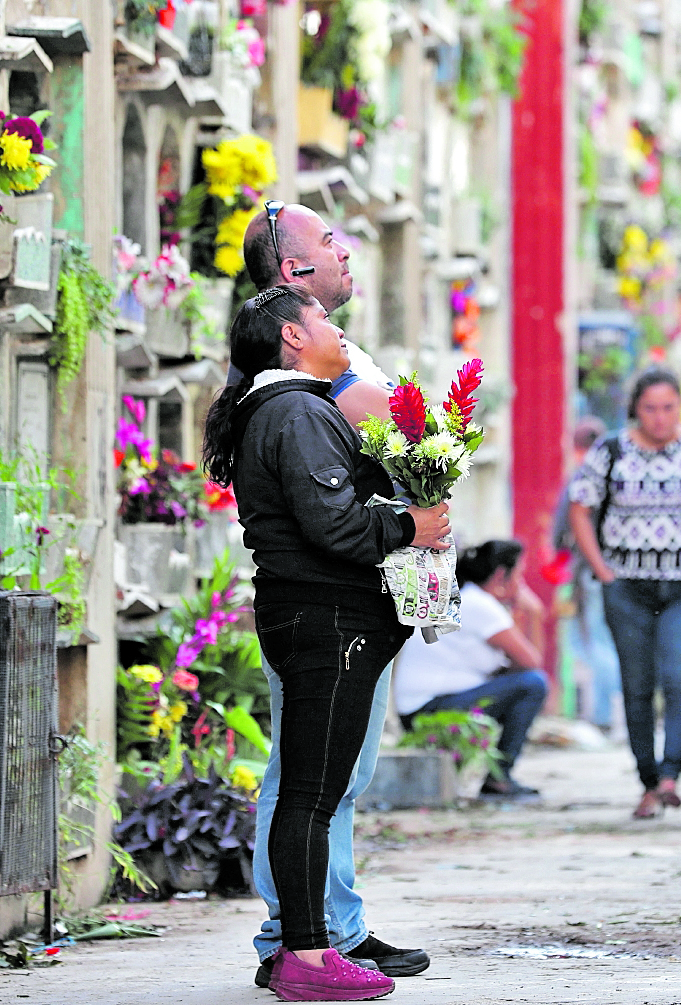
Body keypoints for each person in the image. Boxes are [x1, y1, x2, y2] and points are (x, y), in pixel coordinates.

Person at [202, 285, 450, 1000]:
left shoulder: (293, 409)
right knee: (311, 794)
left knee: (316, 789)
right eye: (322, 319)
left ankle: (304, 947)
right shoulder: (296, 411)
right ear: (289, 337)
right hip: (324, 619)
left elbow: (335, 496)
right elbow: (332, 524)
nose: (335, 327)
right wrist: (411, 529)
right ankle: (306, 955)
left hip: (318, 618)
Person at [239, 204, 431, 984]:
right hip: (325, 603)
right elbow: (338, 509)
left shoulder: (299, 382)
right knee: (309, 778)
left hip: (346, 600)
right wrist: (410, 521)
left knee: (332, 775)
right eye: (327, 243)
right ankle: (300, 938)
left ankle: (331, 925)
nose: (344, 249)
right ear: (292, 281)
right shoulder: (297, 395)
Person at [568, 368, 681, 820]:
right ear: (637, 409)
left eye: (669, 407)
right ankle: (648, 779)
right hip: (627, 586)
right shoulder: (611, 450)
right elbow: (580, 508)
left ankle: (672, 773)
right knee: (637, 684)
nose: (660, 417)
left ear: (680, 408)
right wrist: (602, 572)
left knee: (680, 676)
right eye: (650, 408)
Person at [393, 540, 550, 797]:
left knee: (526, 682)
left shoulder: (466, 597)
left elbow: (512, 666)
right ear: (501, 575)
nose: (521, 585)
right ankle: (500, 776)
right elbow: (531, 662)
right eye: (520, 575)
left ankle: (497, 776)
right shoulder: (479, 603)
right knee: (534, 683)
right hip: (429, 711)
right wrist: (534, 612)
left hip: (420, 710)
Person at [553, 416, 622, 734]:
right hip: (624, 570)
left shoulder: (580, 477)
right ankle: (617, 713)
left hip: (591, 572)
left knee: (597, 641)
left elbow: (560, 529)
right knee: (614, 641)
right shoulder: (621, 472)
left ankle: (604, 715)